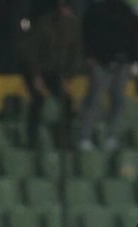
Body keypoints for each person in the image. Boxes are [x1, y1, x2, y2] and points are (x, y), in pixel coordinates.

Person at [20, 0, 81, 148]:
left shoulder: (73, 26)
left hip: (55, 72)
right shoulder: (43, 24)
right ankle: (31, 139)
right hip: (36, 70)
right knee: (38, 99)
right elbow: (32, 52)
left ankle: (63, 138)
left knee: (67, 101)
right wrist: (36, 76)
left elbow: (75, 53)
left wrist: (69, 78)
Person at [78, 0, 137, 151]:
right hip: (100, 61)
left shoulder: (126, 10)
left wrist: (134, 60)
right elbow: (87, 32)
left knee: (118, 101)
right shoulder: (96, 9)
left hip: (122, 62)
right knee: (94, 99)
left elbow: (133, 36)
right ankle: (85, 137)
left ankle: (112, 137)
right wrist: (89, 55)